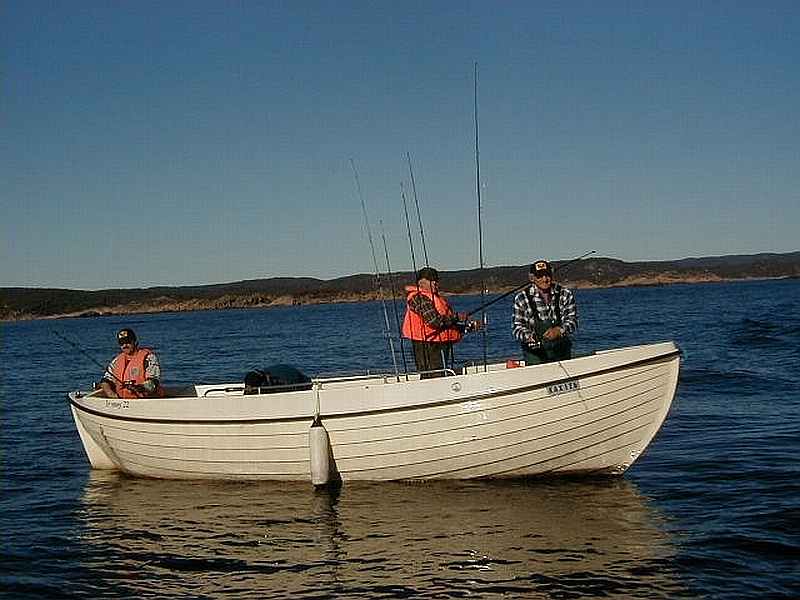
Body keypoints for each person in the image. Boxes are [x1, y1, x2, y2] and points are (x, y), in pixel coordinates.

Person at [401, 267, 480, 378]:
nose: (435, 283)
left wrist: (467, 327)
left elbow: (446, 325)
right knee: (433, 376)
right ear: (421, 282)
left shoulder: (436, 298)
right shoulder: (418, 298)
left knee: (439, 374)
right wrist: (457, 317)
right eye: (431, 280)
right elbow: (435, 321)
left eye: (436, 280)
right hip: (426, 345)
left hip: (439, 344)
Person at [512, 259, 577, 365]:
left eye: (547, 275)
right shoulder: (521, 298)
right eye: (539, 276)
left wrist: (559, 331)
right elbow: (517, 327)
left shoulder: (565, 294)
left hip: (561, 352)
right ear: (532, 278)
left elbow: (573, 322)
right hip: (535, 355)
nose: (545, 279)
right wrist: (529, 337)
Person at [99, 328, 164, 398]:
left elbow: (153, 381)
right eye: (121, 343)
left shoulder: (149, 358)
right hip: (123, 401)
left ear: (135, 342)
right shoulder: (116, 361)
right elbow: (105, 381)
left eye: (128, 342)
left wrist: (140, 388)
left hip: (146, 399)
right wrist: (111, 394)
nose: (125, 345)